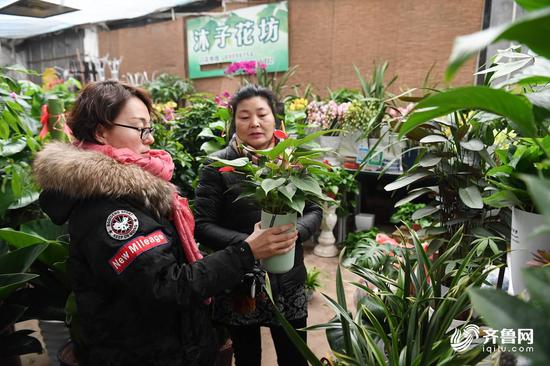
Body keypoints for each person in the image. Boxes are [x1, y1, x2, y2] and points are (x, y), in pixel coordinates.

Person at [32, 80, 298, 366]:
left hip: (173, 343)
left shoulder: (133, 189)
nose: (149, 139)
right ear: (101, 132)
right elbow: (166, 286)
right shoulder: (110, 212)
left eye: (150, 128)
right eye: (140, 128)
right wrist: (246, 251)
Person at [194, 84, 322, 366]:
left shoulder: (293, 163)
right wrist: (249, 245)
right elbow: (202, 226)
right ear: (233, 121)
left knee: (295, 356)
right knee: (247, 356)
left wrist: (294, 233)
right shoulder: (217, 166)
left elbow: (314, 210)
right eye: (244, 116)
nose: (254, 123)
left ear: (275, 118)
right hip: (241, 283)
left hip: (287, 281)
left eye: (262, 114)